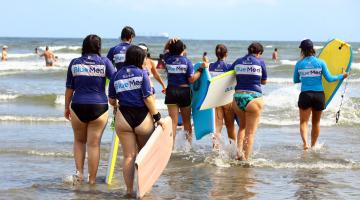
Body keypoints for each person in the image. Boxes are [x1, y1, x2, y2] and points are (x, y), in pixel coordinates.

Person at [108, 45, 164, 197]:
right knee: (144, 154)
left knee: (128, 156)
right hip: (142, 118)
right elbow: (148, 98)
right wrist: (158, 118)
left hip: (123, 117)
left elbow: (112, 100)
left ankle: (128, 190)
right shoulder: (142, 73)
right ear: (140, 59)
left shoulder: (116, 74)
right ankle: (143, 188)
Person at [64, 34, 116, 184]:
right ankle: (92, 180)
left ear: (84, 46)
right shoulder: (105, 62)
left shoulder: (74, 63)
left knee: (79, 141)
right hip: (99, 106)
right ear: (99, 47)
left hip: (78, 105)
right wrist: (116, 101)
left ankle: (79, 175)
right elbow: (115, 80)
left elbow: (69, 88)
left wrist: (66, 107)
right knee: (94, 144)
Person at [293, 39, 348, 150]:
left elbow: (296, 80)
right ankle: (313, 145)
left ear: (302, 50)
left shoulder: (299, 64)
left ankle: (305, 145)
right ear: (313, 49)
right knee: (316, 122)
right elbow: (330, 79)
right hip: (319, 95)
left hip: (305, 95)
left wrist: (306, 76)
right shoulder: (320, 62)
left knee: (303, 122)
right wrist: (342, 76)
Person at [163, 38, 207, 143]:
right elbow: (191, 80)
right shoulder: (187, 61)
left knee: (173, 122)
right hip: (184, 92)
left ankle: (171, 146)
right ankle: (188, 146)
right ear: (182, 50)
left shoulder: (167, 59)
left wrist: (170, 41)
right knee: (186, 121)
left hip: (171, 91)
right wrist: (200, 69)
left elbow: (165, 50)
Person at [230, 42, 267, 161]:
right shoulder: (260, 62)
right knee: (250, 133)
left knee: (242, 127)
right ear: (259, 53)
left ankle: (238, 154)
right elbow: (264, 81)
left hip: (237, 98)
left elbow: (229, 76)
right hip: (253, 99)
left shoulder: (238, 61)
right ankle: (245, 160)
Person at [209, 44, 236, 148]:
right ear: (226, 54)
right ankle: (233, 150)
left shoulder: (211, 66)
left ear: (216, 54)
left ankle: (215, 150)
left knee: (217, 128)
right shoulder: (229, 67)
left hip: (215, 100)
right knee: (230, 127)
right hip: (227, 100)